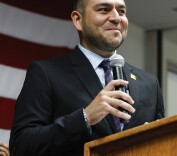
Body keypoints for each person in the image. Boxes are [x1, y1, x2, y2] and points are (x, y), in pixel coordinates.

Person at [9, 0, 165, 155]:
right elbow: (21, 146)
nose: (116, 18)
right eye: (104, 10)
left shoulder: (149, 83)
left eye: (121, 12)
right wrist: (85, 117)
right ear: (78, 20)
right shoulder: (46, 73)